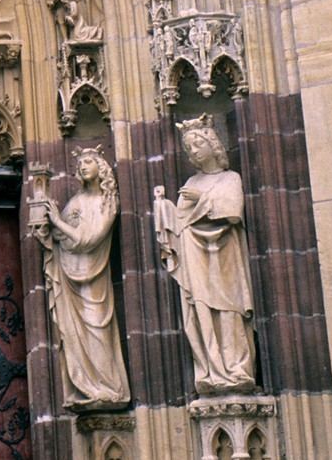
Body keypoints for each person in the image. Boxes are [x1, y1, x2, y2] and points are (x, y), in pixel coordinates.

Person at [154, 116, 257, 394]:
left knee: (228, 309)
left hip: (225, 260)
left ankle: (235, 369)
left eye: (197, 144)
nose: (193, 152)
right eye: (188, 148)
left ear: (213, 144)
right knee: (200, 311)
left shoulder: (229, 178)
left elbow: (233, 211)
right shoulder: (190, 182)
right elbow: (180, 223)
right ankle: (211, 370)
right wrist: (163, 209)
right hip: (195, 257)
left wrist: (200, 200)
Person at [34, 149, 130, 410]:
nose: (82, 166)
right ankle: (87, 387)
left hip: (91, 278)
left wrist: (57, 223)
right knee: (74, 333)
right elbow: (60, 236)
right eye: (79, 163)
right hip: (69, 274)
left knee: (96, 329)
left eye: (88, 161)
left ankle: (108, 388)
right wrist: (45, 227)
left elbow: (88, 239)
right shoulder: (75, 201)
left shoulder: (108, 202)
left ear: (101, 166)